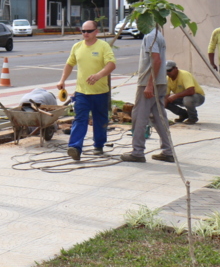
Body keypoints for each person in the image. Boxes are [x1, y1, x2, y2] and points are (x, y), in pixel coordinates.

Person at [57, 21, 116, 161]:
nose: (85, 34)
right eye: (83, 31)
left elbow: (111, 64)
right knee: (80, 119)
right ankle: (75, 148)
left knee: (100, 120)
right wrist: (62, 80)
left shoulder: (103, 46)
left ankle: (99, 145)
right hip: (82, 92)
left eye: (89, 31)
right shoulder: (77, 47)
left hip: (100, 92)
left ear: (96, 31)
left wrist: (98, 75)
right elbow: (69, 64)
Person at [121, 27, 174, 163]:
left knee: (139, 116)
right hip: (160, 81)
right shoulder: (158, 34)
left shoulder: (150, 36)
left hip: (149, 83)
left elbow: (156, 60)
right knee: (159, 117)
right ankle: (168, 151)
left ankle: (137, 152)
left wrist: (150, 84)